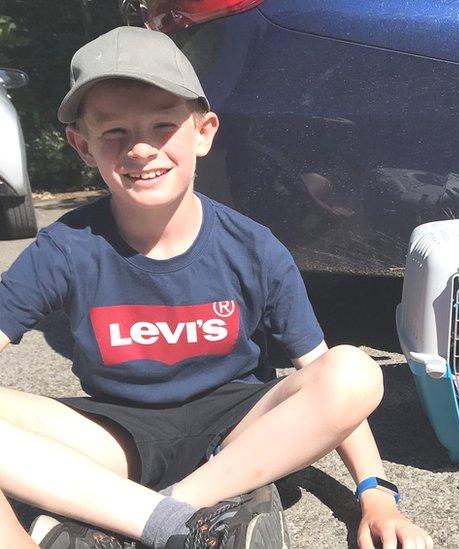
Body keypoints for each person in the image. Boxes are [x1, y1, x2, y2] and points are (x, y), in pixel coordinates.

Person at [0, 26, 433, 549]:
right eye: (113, 131)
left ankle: (135, 514)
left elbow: (323, 376)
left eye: (163, 125)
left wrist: (375, 494)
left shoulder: (252, 246)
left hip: (240, 431)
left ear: (203, 132)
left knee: (356, 372)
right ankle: (182, 523)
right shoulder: (66, 248)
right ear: (82, 146)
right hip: (120, 436)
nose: (140, 149)